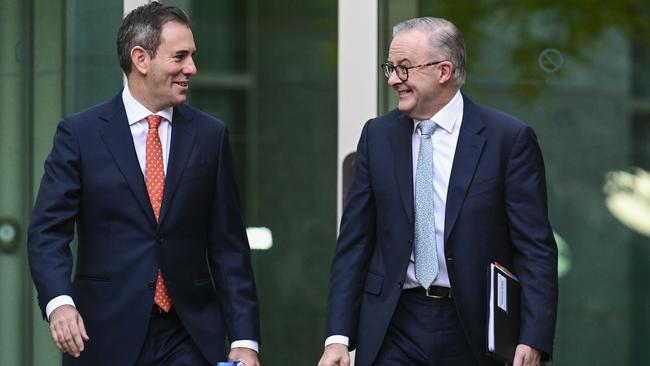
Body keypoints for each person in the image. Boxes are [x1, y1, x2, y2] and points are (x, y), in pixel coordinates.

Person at [27, 2, 260, 365]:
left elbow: (228, 246)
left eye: (192, 56)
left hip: (189, 334)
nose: (192, 69)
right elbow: (47, 233)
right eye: (180, 57)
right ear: (141, 58)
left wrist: (245, 339)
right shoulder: (81, 135)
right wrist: (60, 304)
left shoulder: (210, 136)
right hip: (103, 334)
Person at [318, 17, 557, 366]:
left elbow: (534, 248)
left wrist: (533, 336)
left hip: (474, 327)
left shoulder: (507, 139)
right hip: (395, 322)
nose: (392, 79)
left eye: (403, 68)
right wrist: (337, 338)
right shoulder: (377, 137)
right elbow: (354, 243)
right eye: (390, 67)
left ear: (443, 71)